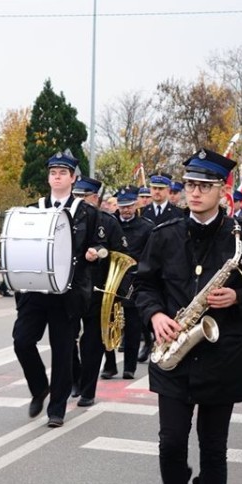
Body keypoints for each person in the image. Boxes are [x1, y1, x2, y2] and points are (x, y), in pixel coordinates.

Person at [134, 149, 242, 484]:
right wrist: (155, 314)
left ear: (222, 190)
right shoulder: (163, 234)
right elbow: (142, 285)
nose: (195, 193)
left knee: (214, 449)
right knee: (170, 444)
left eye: (204, 186)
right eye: (189, 185)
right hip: (173, 356)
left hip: (223, 357)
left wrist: (239, 298)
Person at [12, 150, 106, 428]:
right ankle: (39, 387)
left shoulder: (87, 213)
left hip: (69, 291)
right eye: (53, 172)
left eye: (62, 172)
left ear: (73, 178)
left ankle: (57, 408)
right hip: (36, 289)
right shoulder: (33, 208)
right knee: (22, 341)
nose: (57, 176)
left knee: (63, 350)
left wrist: (95, 253)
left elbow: (101, 246)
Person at [70, 177, 128, 406]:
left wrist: (118, 293)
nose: (78, 201)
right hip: (70, 290)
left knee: (91, 343)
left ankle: (88, 390)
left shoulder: (107, 222)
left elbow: (123, 254)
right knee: (67, 339)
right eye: (75, 197)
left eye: (82, 197)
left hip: (98, 290)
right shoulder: (64, 221)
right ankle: (75, 378)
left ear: (94, 198)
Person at [102, 187, 155, 379]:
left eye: (130, 206)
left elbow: (150, 255)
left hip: (134, 279)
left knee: (133, 325)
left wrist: (141, 272)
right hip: (111, 278)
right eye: (123, 206)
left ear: (137, 205)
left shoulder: (146, 227)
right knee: (107, 322)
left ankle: (129, 367)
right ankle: (109, 364)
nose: (126, 210)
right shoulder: (109, 223)